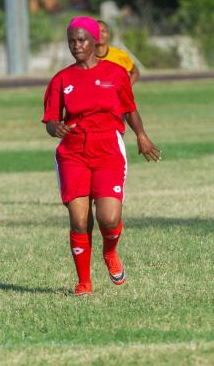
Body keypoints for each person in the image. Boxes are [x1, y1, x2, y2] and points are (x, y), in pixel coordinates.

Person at [42, 16, 161, 296]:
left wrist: (141, 136)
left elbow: (130, 109)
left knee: (108, 218)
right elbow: (49, 120)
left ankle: (110, 251)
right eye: (71, 40)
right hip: (73, 152)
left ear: (96, 41)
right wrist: (54, 127)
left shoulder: (116, 74)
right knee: (79, 220)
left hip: (108, 148)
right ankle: (84, 282)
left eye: (81, 39)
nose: (76, 45)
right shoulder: (61, 79)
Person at [96, 20, 140, 85]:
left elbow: (135, 72)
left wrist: (126, 89)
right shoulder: (87, 57)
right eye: (97, 31)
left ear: (108, 35)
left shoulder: (119, 54)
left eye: (103, 31)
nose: (100, 34)